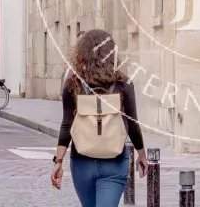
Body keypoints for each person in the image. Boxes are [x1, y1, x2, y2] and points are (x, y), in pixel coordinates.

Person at [51, 29, 146, 205]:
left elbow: (67, 125)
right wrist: (142, 155)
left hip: (82, 163)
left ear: (81, 54)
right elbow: (133, 125)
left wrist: (58, 161)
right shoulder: (124, 84)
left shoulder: (73, 84)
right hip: (115, 163)